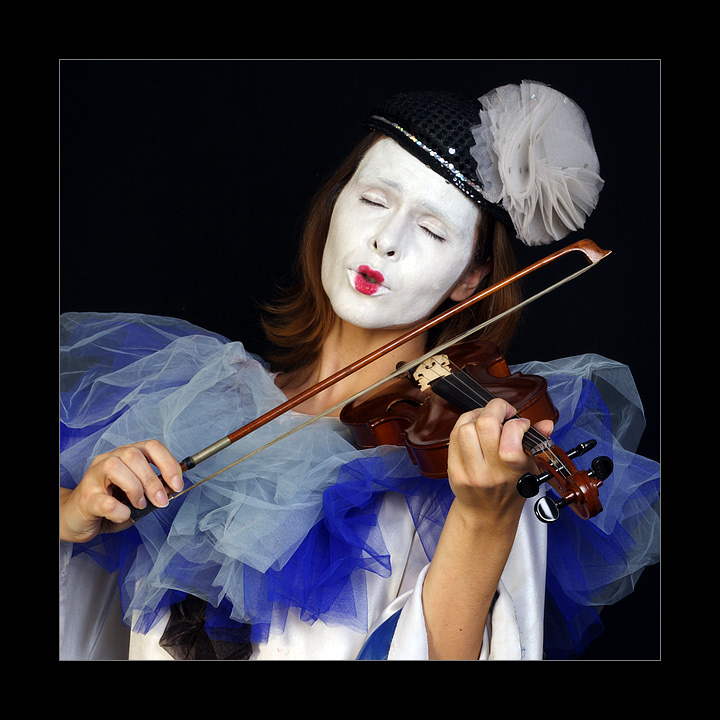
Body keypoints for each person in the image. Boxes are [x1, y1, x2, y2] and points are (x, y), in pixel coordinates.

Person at [60, 81, 659, 660]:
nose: (386, 240)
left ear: (470, 281)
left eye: (431, 229)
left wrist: (484, 519)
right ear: (335, 205)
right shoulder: (191, 399)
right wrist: (75, 513)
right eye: (373, 199)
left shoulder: (477, 461)